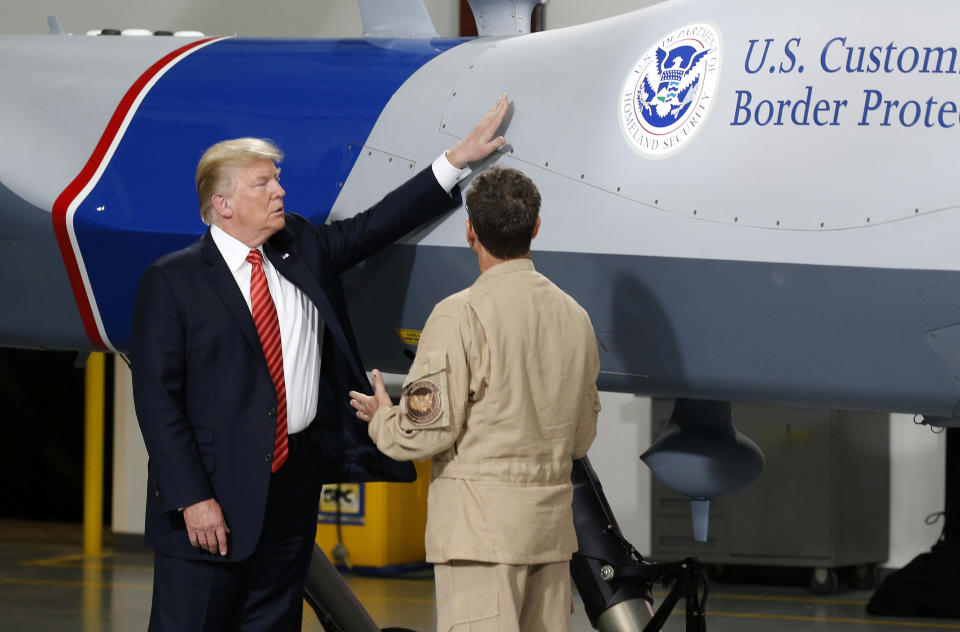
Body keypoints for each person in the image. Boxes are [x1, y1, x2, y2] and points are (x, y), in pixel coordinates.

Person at [129, 95, 509, 631]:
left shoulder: (301, 245)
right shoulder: (172, 281)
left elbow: (377, 224)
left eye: (276, 180)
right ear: (223, 203)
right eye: (262, 183)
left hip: (292, 491)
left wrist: (457, 159)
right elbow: (156, 401)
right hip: (210, 504)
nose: (280, 190)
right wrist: (193, 498)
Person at [349, 165, 600, 632]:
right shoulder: (576, 318)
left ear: (470, 230)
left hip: (480, 539)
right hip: (549, 536)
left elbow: (424, 434)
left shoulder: (457, 316)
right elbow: (581, 437)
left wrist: (384, 417)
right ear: (536, 228)